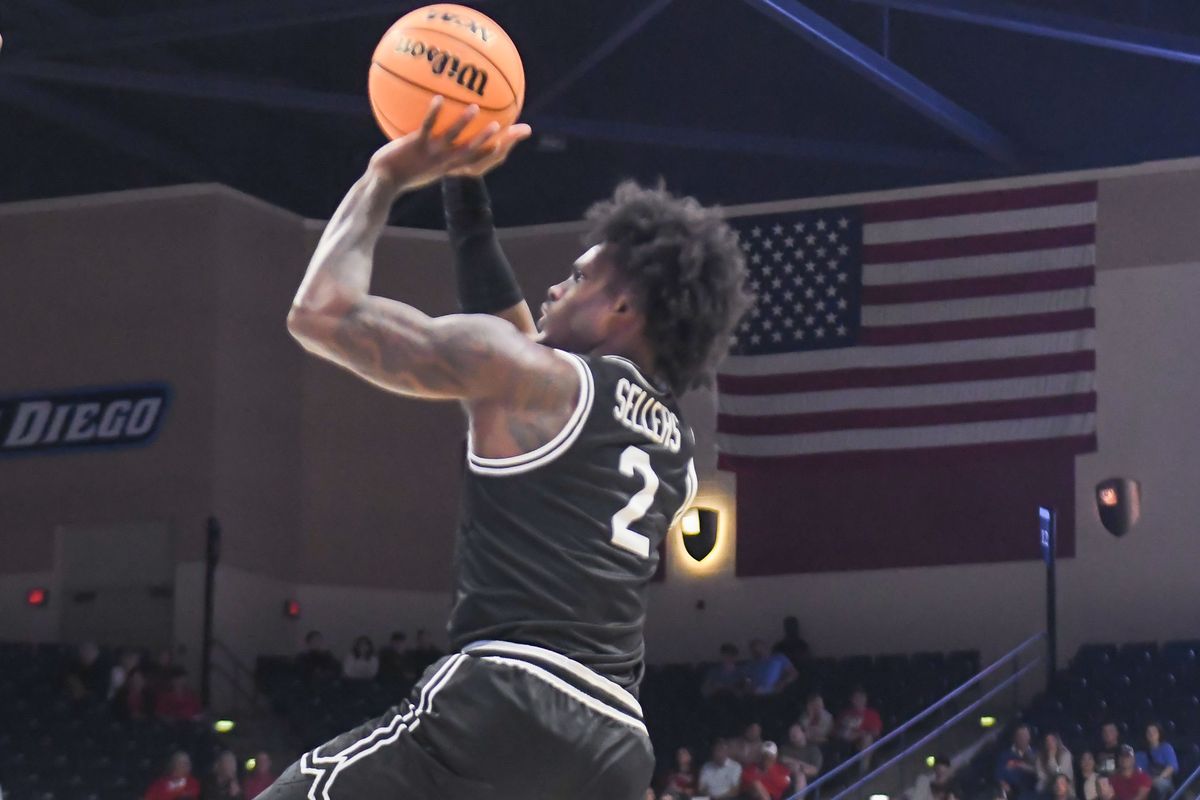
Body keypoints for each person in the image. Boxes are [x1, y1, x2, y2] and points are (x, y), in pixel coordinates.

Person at [268, 96, 749, 800]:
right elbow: (518, 338)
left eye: (580, 276)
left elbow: (319, 315)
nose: (555, 285)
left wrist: (386, 177)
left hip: (508, 695)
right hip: (616, 744)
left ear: (621, 309)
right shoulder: (675, 449)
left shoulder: (531, 378)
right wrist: (465, 192)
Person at [1136, 722, 1177, 798]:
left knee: (1158, 785)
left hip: (1163, 780)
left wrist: (1158, 778)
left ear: (1159, 733)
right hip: (1145, 782)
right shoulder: (1140, 754)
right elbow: (1138, 771)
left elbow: (1171, 767)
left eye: (1154, 731)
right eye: (1149, 732)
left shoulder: (1166, 748)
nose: (1151, 734)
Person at [996, 724, 1038, 799]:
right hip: (1013, 795)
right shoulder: (1005, 756)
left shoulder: (1036, 753)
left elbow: (1041, 772)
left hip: (1033, 793)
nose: (1023, 739)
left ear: (1029, 737)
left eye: (1025, 735)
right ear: (1015, 738)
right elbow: (999, 776)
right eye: (1020, 736)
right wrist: (1004, 785)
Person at [778, 724, 823, 792]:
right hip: (784, 775)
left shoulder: (813, 749)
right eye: (791, 732)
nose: (793, 734)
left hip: (804, 777)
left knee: (800, 776)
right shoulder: (785, 748)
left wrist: (799, 767)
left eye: (796, 731)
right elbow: (781, 760)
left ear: (803, 733)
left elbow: (815, 769)